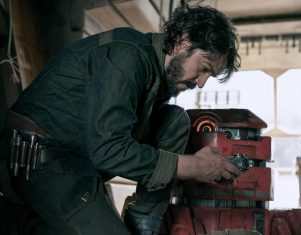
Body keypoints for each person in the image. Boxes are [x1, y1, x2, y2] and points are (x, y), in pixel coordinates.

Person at [2, 4, 241, 235]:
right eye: (204, 68)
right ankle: (13, 220)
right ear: (183, 41)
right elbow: (109, 149)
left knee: (174, 120)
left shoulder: (157, 78)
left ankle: (144, 219)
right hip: (41, 159)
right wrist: (195, 166)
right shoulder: (127, 55)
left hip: (79, 162)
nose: (201, 82)